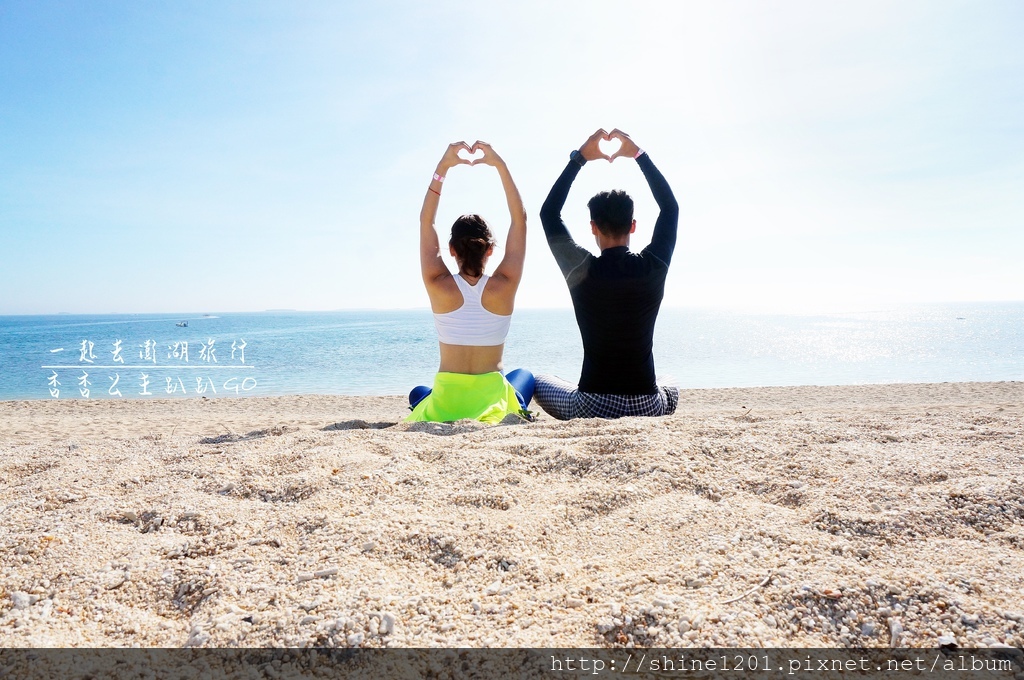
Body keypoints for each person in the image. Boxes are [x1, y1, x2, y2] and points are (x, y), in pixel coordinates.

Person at [534, 128, 679, 420]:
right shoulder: (653, 267)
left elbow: (549, 213)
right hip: (647, 405)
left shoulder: (581, 269)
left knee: (539, 380)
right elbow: (670, 208)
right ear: (633, 226)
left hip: (592, 405)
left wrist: (579, 159)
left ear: (593, 228)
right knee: (671, 383)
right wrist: (639, 155)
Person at [406, 140, 535, 424]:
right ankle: (517, 407)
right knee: (523, 376)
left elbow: (426, 222)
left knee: (418, 393)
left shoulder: (437, 283)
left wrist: (443, 167)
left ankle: (437, 404)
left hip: (446, 402)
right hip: (490, 404)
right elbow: (520, 220)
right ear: (490, 249)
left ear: (451, 249)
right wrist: (500, 166)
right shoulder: (505, 283)